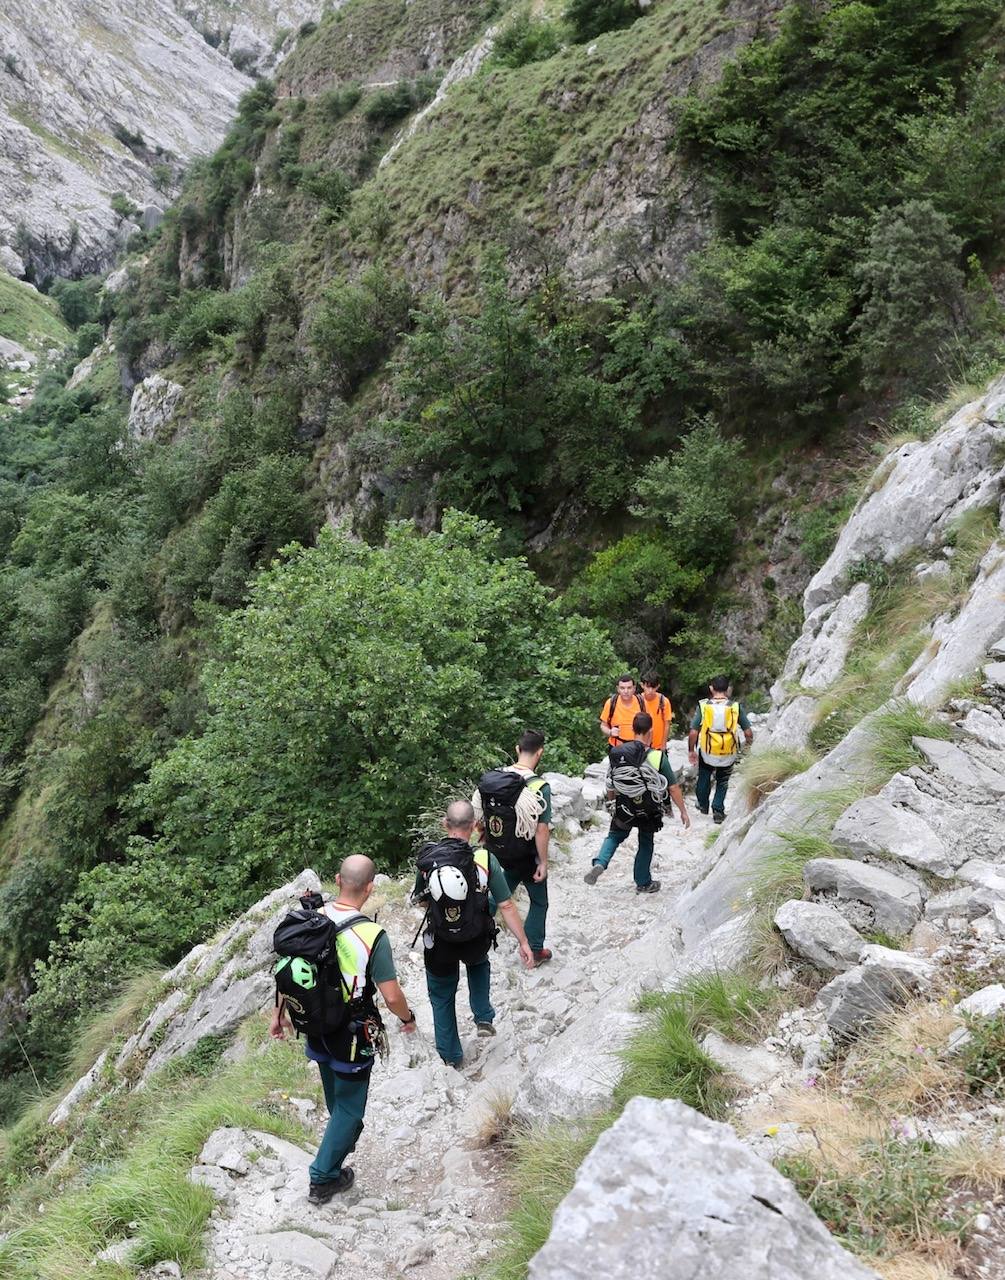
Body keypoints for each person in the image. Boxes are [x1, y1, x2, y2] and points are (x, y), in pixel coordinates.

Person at [270, 855, 416, 1204]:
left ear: (337, 879)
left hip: (313, 1022)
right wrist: (407, 1019)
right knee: (351, 1108)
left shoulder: (310, 919)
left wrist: (278, 1015)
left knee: (337, 1094)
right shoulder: (372, 934)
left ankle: (341, 1140)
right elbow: (391, 994)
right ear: (371, 887)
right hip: (351, 1029)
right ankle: (323, 1177)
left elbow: (289, 969)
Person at [414, 800, 535, 1068]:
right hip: (475, 937)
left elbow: (421, 900)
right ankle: (483, 1016)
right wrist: (524, 942)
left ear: (445, 824)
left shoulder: (428, 859)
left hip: (441, 942)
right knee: (479, 962)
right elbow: (505, 904)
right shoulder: (484, 858)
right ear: (474, 826)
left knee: (441, 995)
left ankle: (451, 1056)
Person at [584, 712, 690, 893]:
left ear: (633, 729)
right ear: (651, 730)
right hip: (648, 807)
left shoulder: (618, 754)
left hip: (624, 804)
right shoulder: (657, 757)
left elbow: (611, 782)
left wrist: (612, 804)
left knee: (614, 836)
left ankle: (601, 862)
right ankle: (643, 882)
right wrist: (683, 811)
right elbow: (672, 787)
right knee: (646, 841)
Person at [473, 729, 553, 965]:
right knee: (539, 902)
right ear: (540, 753)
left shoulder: (494, 779)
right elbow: (541, 829)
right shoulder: (539, 786)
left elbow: (478, 815)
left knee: (495, 894)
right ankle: (535, 950)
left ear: (517, 750)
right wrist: (544, 862)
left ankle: (473, 936)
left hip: (495, 851)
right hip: (525, 856)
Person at [688, 675, 754, 824]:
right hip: (728, 751)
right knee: (722, 780)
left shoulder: (704, 706)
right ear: (728, 689)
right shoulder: (735, 707)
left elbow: (693, 732)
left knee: (704, 777)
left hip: (707, 750)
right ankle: (718, 810)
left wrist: (691, 750)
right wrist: (748, 747)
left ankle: (703, 804)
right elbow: (748, 732)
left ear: (711, 688)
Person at [599, 673, 645, 749]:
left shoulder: (641, 702)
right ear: (618, 689)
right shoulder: (611, 703)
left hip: (637, 747)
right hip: (616, 747)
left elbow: (649, 727)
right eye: (622, 688)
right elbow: (603, 725)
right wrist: (610, 732)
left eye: (629, 688)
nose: (626, 691)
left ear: (634, 688)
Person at [640, 672, 672, 750]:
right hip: (642, 745)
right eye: (648, 687)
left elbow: (667, 724)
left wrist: (663, 745)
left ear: (658, 686)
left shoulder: (664, 701)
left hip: (658, 745)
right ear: (642, 685)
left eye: (653, 687)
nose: (650, 690)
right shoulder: (638, 700)